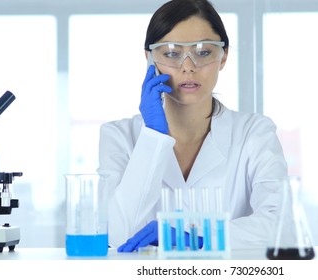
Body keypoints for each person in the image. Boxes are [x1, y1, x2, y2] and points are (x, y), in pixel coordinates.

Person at [97, 0, 288, 252]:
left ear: (223, 56)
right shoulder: (119, 136)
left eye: (203, 52)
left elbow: (281, 225)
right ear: (150, 58)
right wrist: (153, 137)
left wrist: (197, 235)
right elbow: (116, 234)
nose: (188, 66)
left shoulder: (254, 133)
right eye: (171, 53)